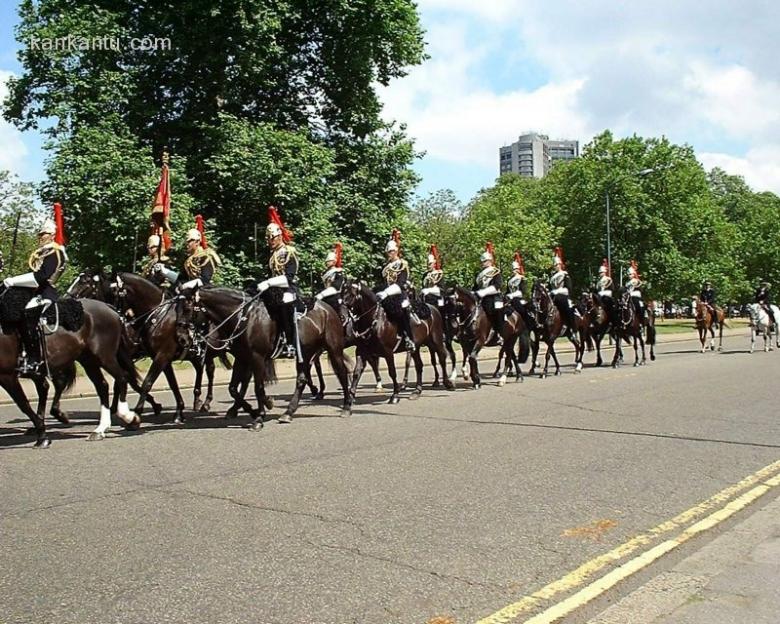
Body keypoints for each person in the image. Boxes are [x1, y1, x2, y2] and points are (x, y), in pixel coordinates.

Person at [2, 208, 68, 376]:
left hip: (45, 294)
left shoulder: (55, 252)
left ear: (52, 235)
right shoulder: (41, 253)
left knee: (27, 313)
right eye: (40, 234)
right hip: (32, 292)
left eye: (44, 234)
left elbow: (42, 276)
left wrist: (14, 280)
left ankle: (34, 358)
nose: (41, 236)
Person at [257, 206, 299, 359]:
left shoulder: (289, 252)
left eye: (272, 238)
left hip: (288, 289)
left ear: (279, 236)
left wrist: (268, 283)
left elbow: (289, 277)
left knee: (285, 302)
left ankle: (291, 342)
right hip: (274, 289)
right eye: (268, 238)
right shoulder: (271, 255)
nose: (269, 241)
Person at [376, 229, 416, 351]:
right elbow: (384, 283)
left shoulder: (402, 264)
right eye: (388, 251)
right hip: (386, 295)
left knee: (402, 309)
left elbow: (401, 283)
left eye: (392, 251)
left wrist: (386, 292)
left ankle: (408, 338)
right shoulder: (385, 268)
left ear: (396, 251)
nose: (390, 253)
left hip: (399, 294)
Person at [473, 242, 505, 345]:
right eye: (482, 261)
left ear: (490, 261)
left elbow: (497, 286)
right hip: (481, 298)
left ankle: (499, 333)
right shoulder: (479, 275)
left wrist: (483, 292)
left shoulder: (495, 272)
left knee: (496, 310)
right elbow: (475, 287)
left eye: (484, 261)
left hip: (494, 297)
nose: (482, 263)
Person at [181, 215, 220, 288]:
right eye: (186, 242)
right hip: (188, 291)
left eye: (189, 241)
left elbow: (205, 279)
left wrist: (187, 285)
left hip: (204, 290)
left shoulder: (205, 257)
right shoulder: (187, 260)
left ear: (197, 242)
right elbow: (181, 278)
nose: (187, 244)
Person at [315, 242, 347, 322]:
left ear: (334, 262)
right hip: (324, 297)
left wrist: (321, 294)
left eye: (329, 261)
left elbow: (335, 288)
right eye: (326, 261)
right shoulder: (324, 273)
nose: (327, 263)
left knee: (337, 316)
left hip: (334, 298)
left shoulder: (338, 273)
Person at [549, 246, 577, 332]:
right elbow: (550, 287)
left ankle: (571, 326)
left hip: (562, 295)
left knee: (564, 306)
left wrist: (557, 291)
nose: (555, 266)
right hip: (553, 295)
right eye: (554, 265)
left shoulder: (564, 274)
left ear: (560, 265)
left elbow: (569, 287)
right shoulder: (552, 276)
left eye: (556, 265)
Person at [506, 251, 534, 329]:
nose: (512, 271)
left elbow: (523, 291)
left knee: (520, 307)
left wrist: (512, 295)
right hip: (510, 299)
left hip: (519, 298)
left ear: (517, 269)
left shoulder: (521, 278)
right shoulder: (509, 280)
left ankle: (527, 324)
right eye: (512, 269)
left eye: (514, 269)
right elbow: (508, 291)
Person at [420, 244, 444, 310]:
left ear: (434, 263)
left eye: (430, 264)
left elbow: (441, 290)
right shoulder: (425, 275)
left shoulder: (439, 274)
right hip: (425, 298)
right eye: (427, 264)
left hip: (436, 298)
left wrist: (429, 290)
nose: (428, 265)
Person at [595, 258, 617, 327]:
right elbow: (597, 290)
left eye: (601, 272)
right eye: (599, 272)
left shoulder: (608, 279)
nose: (600, 274)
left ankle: (613, 322)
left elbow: (612, 289)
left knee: (610, 308)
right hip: (599, 297)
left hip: (606, 297)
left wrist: (603, 294)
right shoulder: (598, 282)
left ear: (604, 272)